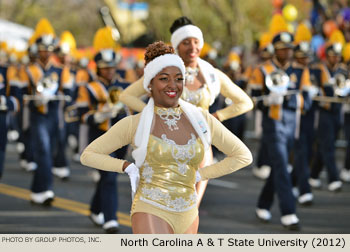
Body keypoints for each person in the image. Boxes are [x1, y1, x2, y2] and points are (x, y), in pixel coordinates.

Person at [81, 41, 252, 234]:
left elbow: (243, 156)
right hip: (150, 209)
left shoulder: (201, 119)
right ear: (149, 85)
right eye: (164, 79)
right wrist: (126, 166)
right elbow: (89, 154)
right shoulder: (135, 123)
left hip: (188, 213)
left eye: (179, 79)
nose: (172, 85)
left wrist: (201, 175)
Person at [119, 16, 253, 207]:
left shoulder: (212, 75)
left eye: (196, 42)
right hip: (165, 143)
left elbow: (245, 102)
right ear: (176, 46)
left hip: (200, 143)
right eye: (185, 42)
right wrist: (154, 113)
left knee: (191, 206)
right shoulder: (162, 71)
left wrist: (217, 117)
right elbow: (127, 96)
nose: (192, 47)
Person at [249, 31, 312, 230]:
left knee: (280, 166)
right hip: (272, 124)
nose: (287, 52)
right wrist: (267, 101)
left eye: (289, 49)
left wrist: (290, 98)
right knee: (283, 166)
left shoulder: (301, 71)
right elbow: (254, 96)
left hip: (292, 123)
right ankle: (289, 213)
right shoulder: (263, 69)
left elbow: (307, 101)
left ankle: (263, 203)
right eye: (282, 49)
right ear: (275, 50)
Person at [77, 26, 129, 233]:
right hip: (99, 136)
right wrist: (97, 115)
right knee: (109, 175)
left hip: (121, 137)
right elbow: (77, 114)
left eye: (112, 67)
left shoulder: (123, 85)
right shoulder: (88, 87)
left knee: (109, 176)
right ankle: (110, 219)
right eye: (105, 67)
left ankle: (95, 208)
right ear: (98, 68)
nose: (109, 70)